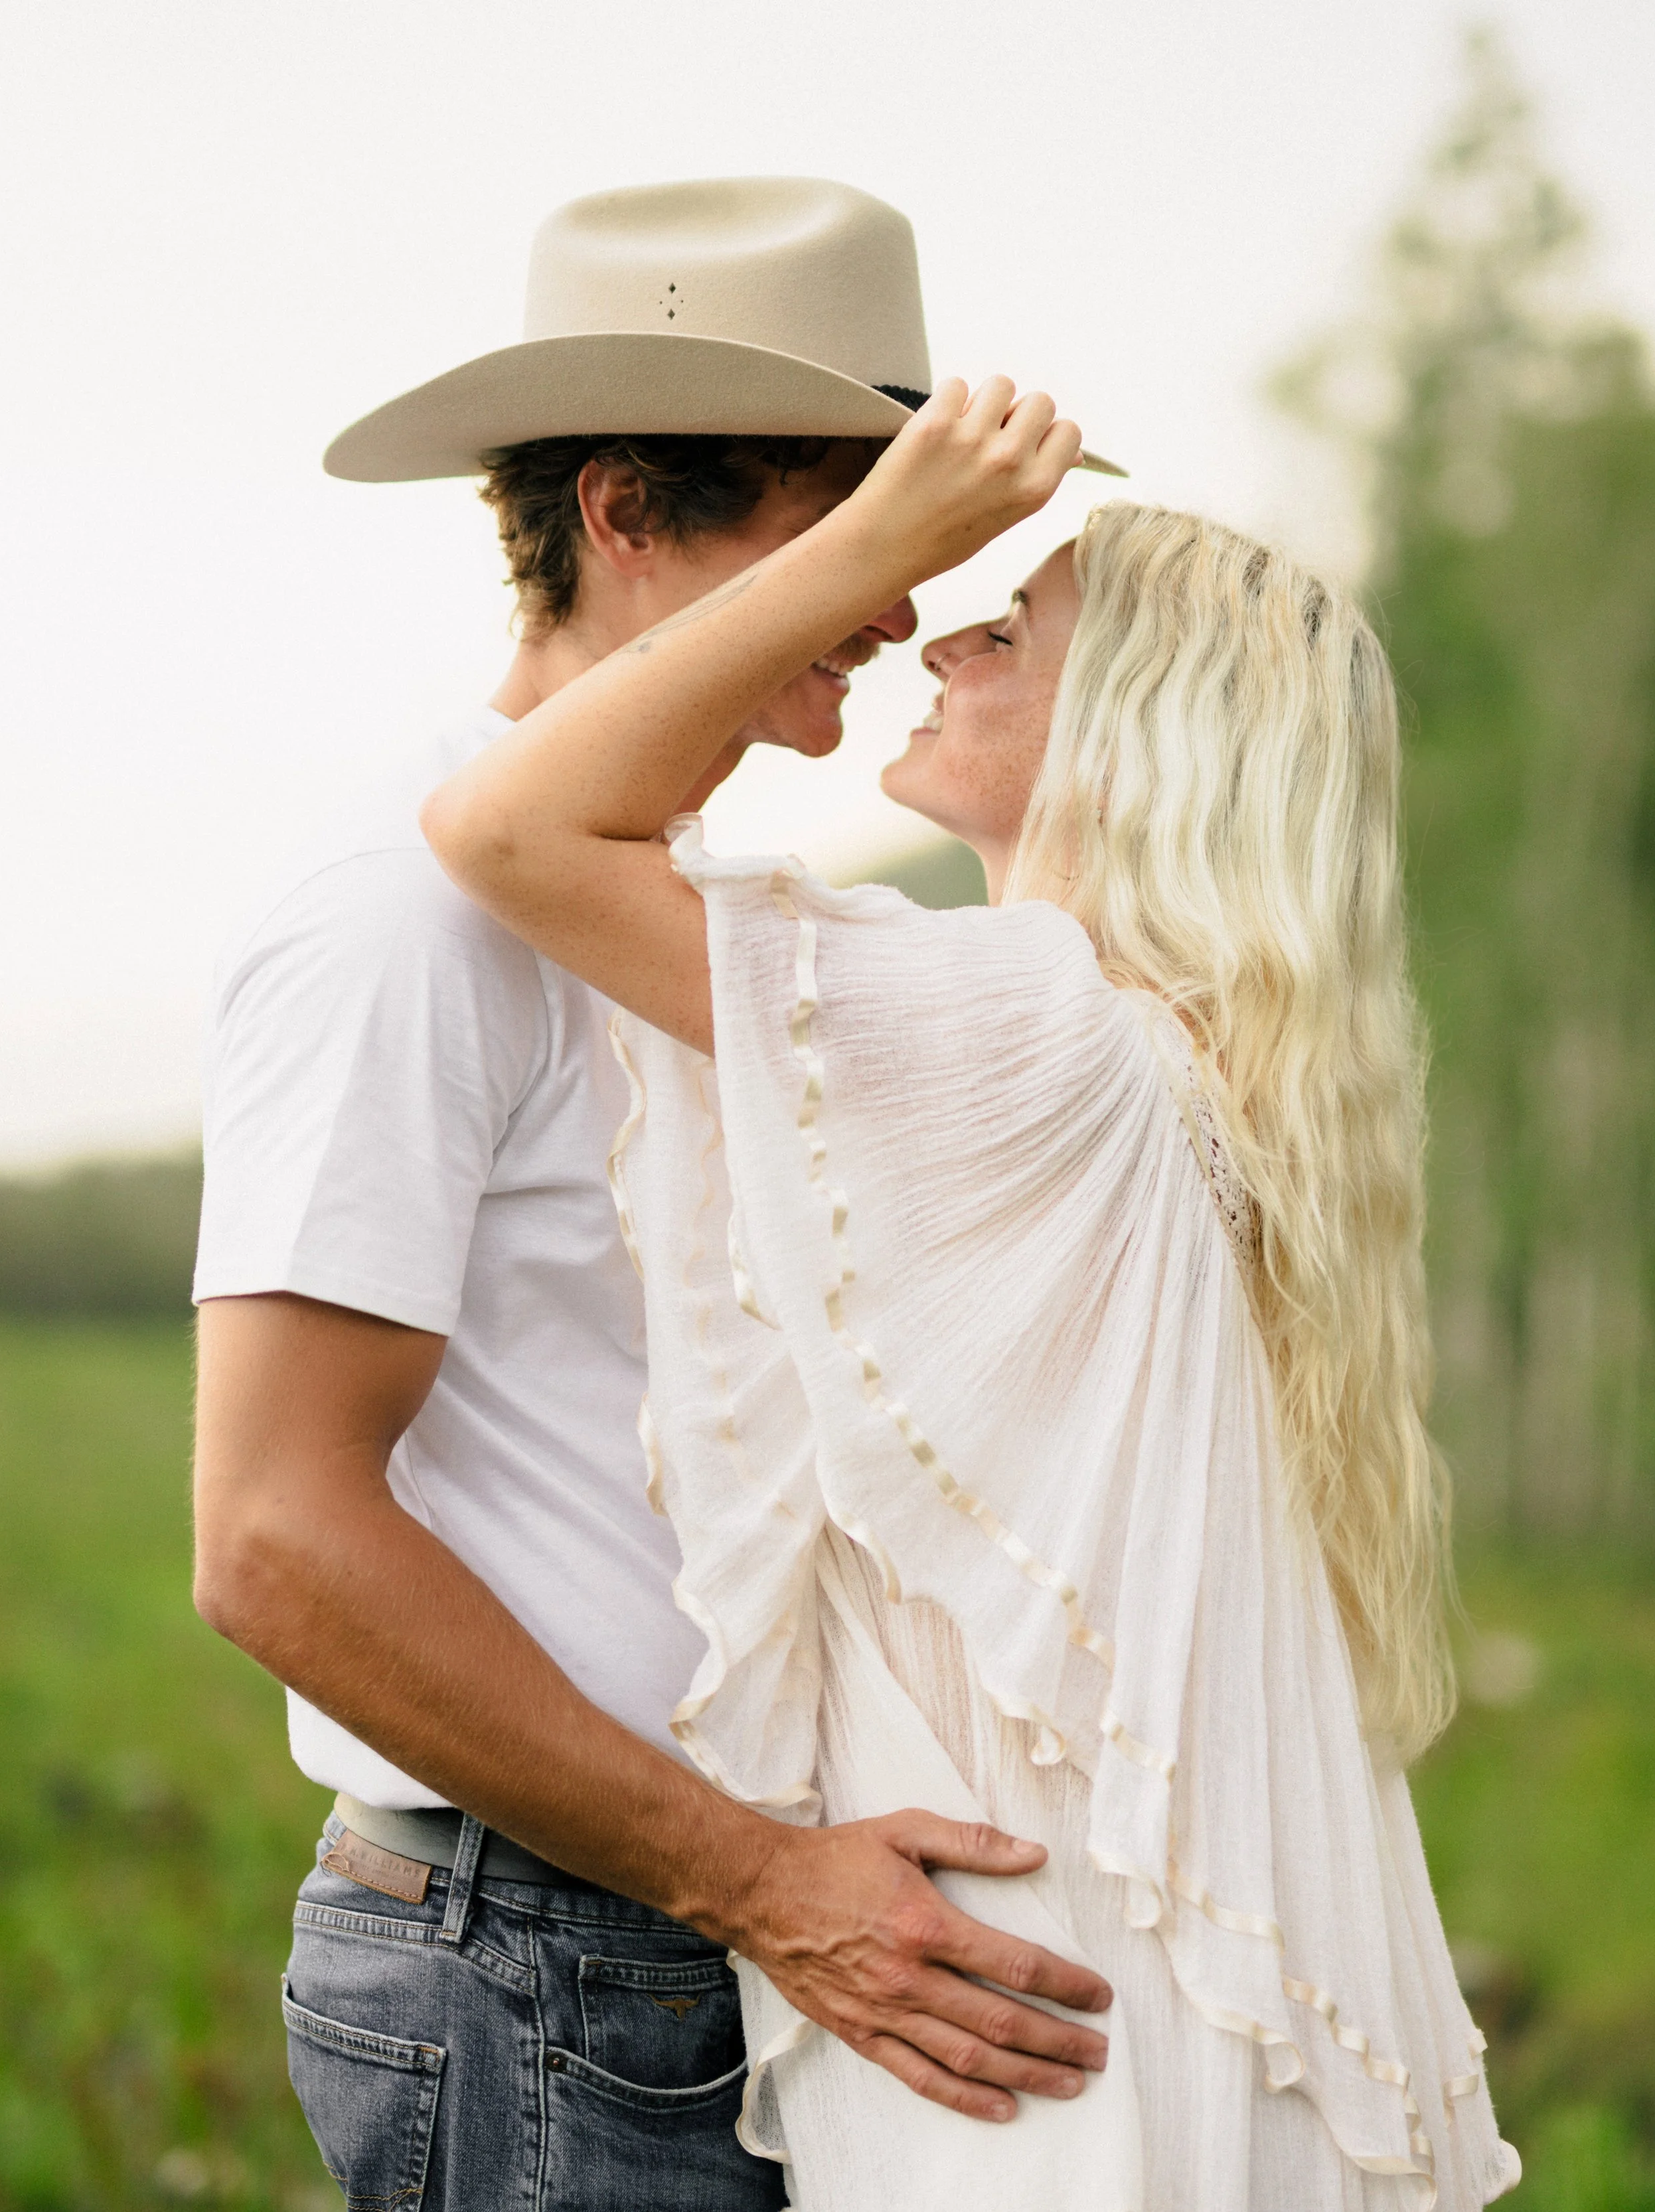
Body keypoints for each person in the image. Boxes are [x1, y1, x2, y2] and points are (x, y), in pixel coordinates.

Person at [420, 376, 1526, 2209]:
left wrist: (867, 537)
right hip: (1085, 1971)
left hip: (1024, 2005)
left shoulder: (1035, 1035)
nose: (935, 629)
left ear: (1136, 734)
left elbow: (507, 828)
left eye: (1006, 624)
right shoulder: (1146, 1055)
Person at [189, 184, 1123, 2211]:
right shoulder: (403, 914)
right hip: (554, 1965)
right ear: (622, 511)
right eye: (839, 523)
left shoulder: (701, 918)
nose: (891, 606)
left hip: (715, 1951)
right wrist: (759, 1880)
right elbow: (271, 1535)